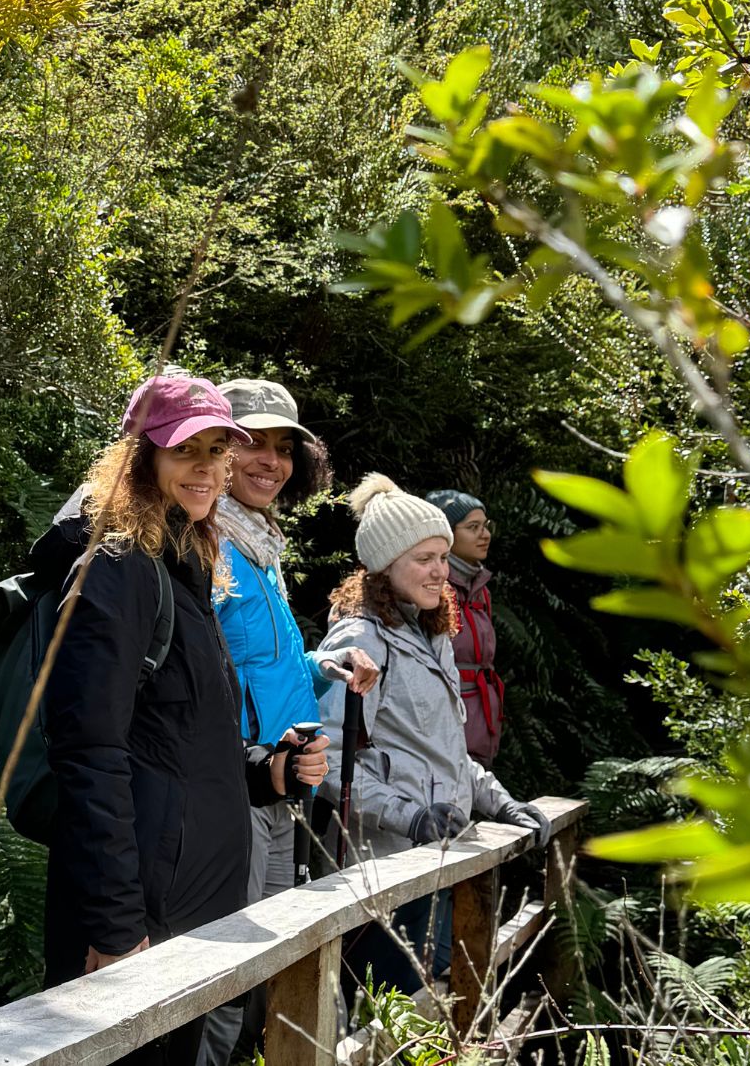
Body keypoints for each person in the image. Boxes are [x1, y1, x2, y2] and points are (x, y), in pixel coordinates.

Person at [40, 373, 330, 1065]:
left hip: (191, 910)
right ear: (141, 460)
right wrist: (115, 927)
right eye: (183, 451)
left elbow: (183, 743)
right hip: (142, 918)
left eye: (215, 452)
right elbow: (89, 753)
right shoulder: (117, 571)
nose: (204, 469)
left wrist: (269, 772)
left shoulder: (185, 570)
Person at [196, 379, 378, 1066]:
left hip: (282, 782)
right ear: (219, 450)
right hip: (232, 781)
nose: (270, 463)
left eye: (283, 449)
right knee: (219, 973)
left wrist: (327, 664)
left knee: (265, 962)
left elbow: (264, 664)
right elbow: (203, 672)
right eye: (252, 445)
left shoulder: (261, 548)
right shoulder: (207, 541)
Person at [314, 474, 549, 996]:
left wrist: (501, 802)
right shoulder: (360, 638)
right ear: (384, 565)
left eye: (443, 557)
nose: (440, 571)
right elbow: (327, 758)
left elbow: (444, 752)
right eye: (424, 558)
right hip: (380, 869)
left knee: (423, 1009)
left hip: (435, 856)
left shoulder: (432, 633)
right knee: (377, 1016)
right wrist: (411, 816)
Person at [424, 489, 506, 768]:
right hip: (447, 721)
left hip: (483, 718)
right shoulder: (432, 588)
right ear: (447, 533)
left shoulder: (480, 589)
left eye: (486, 526)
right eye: (473, 527)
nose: (485, 535)